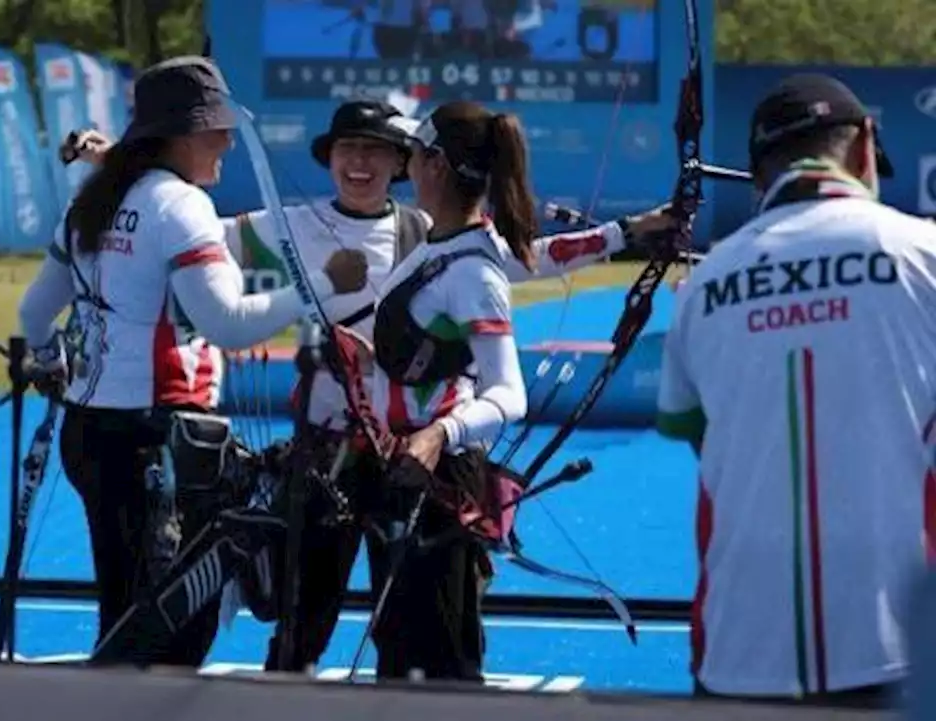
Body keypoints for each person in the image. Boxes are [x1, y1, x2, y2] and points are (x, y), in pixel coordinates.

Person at [63, 97, 667, 676]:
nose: (360, 163)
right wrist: (119, 161)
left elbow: (525, 255)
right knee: (300, 627)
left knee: (411, 633)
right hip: (324, 455)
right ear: (328, 158)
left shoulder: (423, 232)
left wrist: (627, 233)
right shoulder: (291, 223)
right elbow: (189, 229)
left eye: (377, 152)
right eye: (348, 148)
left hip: (402, 460)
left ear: (404, 163)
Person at [16, 55, 368, 669]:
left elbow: (32, 313)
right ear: (180, 134)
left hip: (91, 435)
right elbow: (226, 322)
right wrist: (322, 285)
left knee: (124, 611)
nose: (229, 141)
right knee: (174, 630)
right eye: (217, 128)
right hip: (165, 448)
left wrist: (50, 362)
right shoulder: (179, 205)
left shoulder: (93, 200)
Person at [361, 100, 675, 681]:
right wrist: (627, 231)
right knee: (400, 658)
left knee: (444, 667)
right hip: (404, 473)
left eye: (415, 154)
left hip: (438, 479)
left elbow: (510, 394)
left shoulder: (472, 273)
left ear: (437, 167)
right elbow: (539, 255)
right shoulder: (455, 246)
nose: (406, 164)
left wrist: (438, 433)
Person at [656, 73, 934, 708]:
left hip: (738, 652)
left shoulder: (705, 283)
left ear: (757, 178)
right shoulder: (924, 251)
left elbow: (691, 430)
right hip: (900, 650)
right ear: (865, 146)